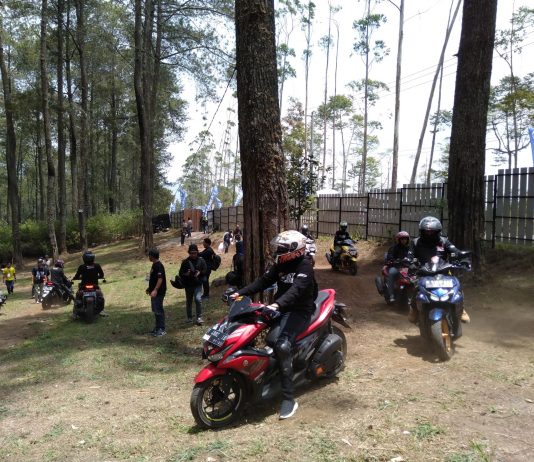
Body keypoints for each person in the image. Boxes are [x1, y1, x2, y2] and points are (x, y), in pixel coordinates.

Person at [230, 230, 316, 420]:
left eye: (282, 248)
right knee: (251, 328)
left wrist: (277, 305)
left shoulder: (305, 266)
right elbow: (263, 282)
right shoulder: (280, 265)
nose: (278, 251)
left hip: (299, 311)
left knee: (281, 345)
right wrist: (240, 293)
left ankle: (289, 398)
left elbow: (296, 291)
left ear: (295, 250)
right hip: (281, 308)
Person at [409, 216, 470, 323]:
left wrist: (463, 259)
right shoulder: (415, 242)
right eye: (427, 232)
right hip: (423, 272)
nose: (429, 234)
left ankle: (461, 309)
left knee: (457, 284)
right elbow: (409, 255)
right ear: (422, 231)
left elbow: (456, 251)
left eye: (432, 231)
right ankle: (414, 310)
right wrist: (410, 263)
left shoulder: (444, 241)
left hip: (443, 271)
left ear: (438, 231)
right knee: (415, 287)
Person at [179, 244, 207, 325]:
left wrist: (200, 272)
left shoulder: (201, 261)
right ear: (189, 253)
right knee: (189, 301)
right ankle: (189, 318)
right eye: (191, 253)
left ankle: (199, 317)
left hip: (198, 284)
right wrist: (186, 274)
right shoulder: (185, 262)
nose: (193, 254)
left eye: (195, 253)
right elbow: (180, 273)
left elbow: (205, 270)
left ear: (197, 252)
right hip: (188, 285)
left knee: (198, 299)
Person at [72, 251, 105, 315]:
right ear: (93, 258)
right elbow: (102, 275)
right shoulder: (97, 265)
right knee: (100, 295)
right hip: (95, 285)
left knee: (77, 296)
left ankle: (74, 313)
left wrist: (75, 278)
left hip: (83, 286)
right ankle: (102, 310)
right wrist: (98, 277)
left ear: (84, 259)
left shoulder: (81, 267)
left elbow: (77, 276)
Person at [384, 231, 412, 303]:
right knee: (391, 273)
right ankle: (391, 295)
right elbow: (390, 256)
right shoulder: (393, 248)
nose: (404, 240)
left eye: (405, 239)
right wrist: (393, 260)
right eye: (402, 239)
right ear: (398, 240)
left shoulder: (410, 248)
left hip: (407, 267)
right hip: (396, 267)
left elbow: (412, 256)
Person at [146, 248, 167, 337]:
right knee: (155, 310)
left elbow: (160, 279)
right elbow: (153, 279)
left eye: (149, 255)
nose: (148, 257)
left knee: (158, 310)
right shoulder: (154, 265)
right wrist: (150, 288)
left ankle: (161, 329)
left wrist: (155, 290)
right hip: (154, 291)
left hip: (159, 292)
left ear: (152, 256)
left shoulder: (159, 266)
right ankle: (157, 328)